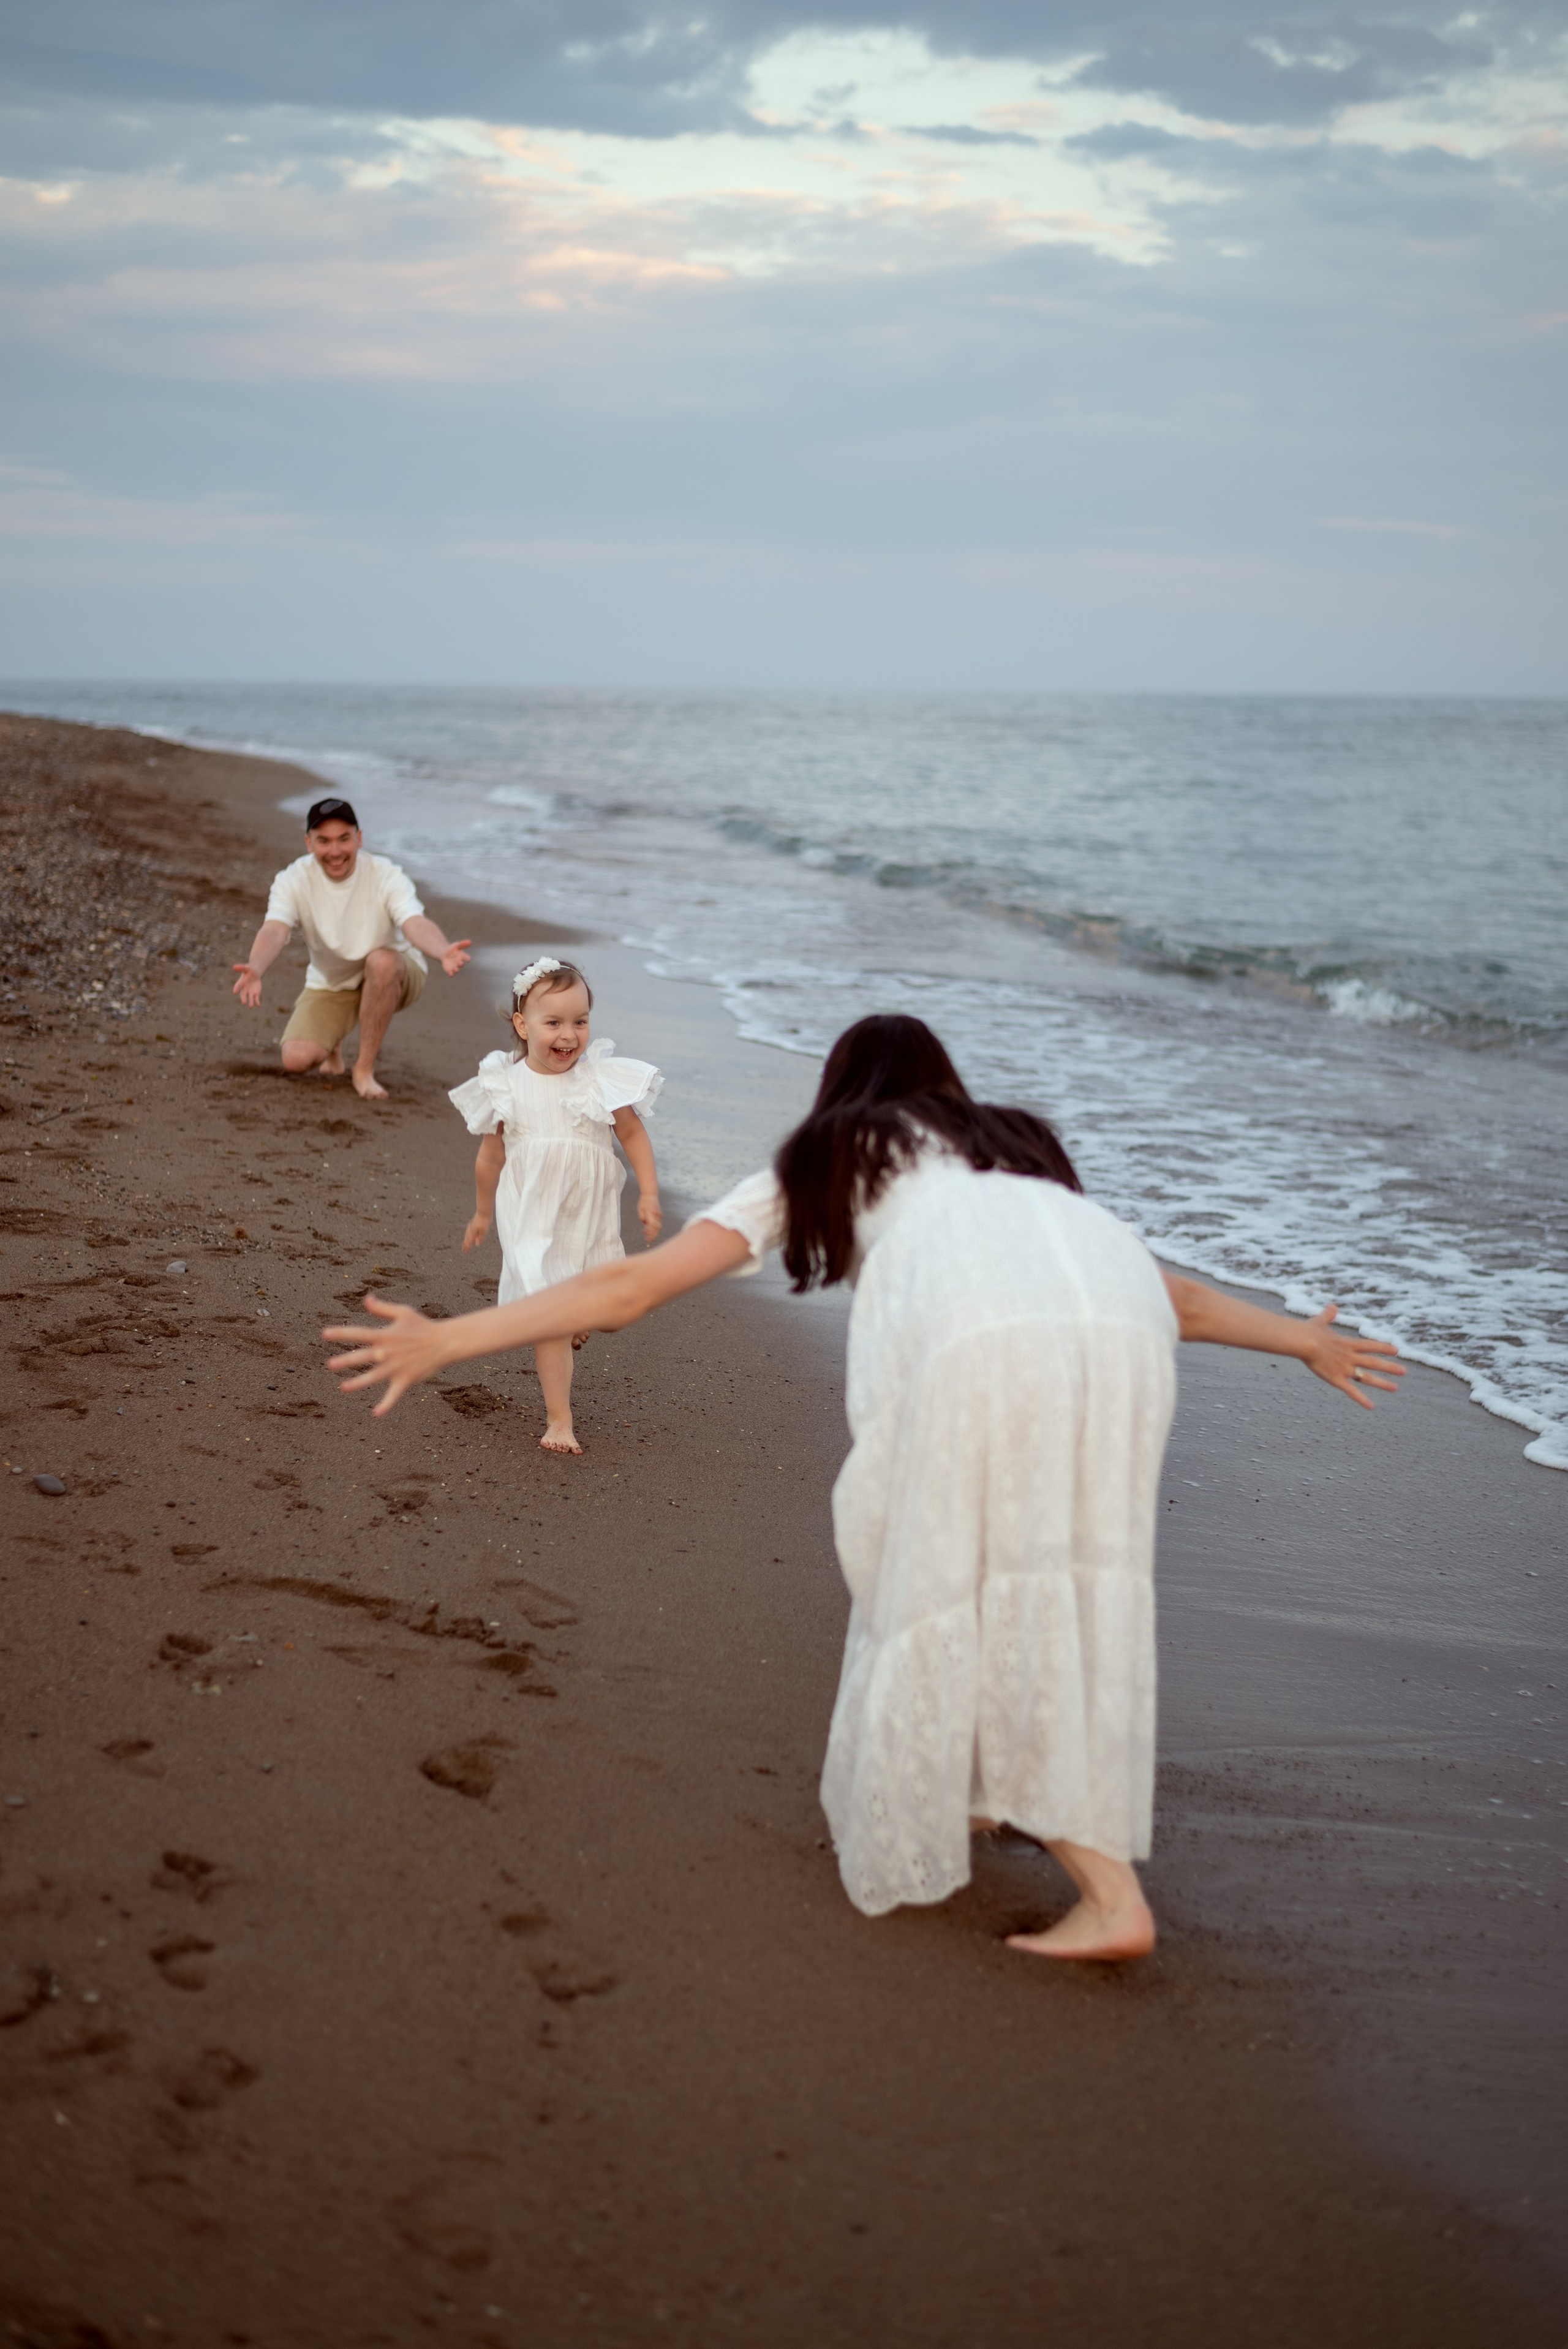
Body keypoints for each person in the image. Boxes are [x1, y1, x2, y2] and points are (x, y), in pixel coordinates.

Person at [324, 1015, 1402, 1960]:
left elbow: (626, 1288)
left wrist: (456, 1336)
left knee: (925, 1569)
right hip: (1120, 1334)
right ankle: (992, 1794)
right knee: (1044, 1568)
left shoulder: (835, 1149)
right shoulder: (1013, 1146)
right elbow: (1171, 1296)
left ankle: (1109, 1891)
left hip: (980, 1337)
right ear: (946, 1087)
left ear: (840, 1090)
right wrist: (1302, 1342)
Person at [450, 957, 663, 1455]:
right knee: (550, 1313)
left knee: (605, 1305)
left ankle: (578, 1311)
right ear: (523, 1026)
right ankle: (559, 1418)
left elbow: (632, 1133)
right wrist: (483, 1211)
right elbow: (490, 1156)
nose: (569, 1035)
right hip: (532, 1214)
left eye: (580, 1021)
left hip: (589, 1215)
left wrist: (649, 1192)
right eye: (554, 1022)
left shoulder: (598, 1080)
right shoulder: (506, 1083)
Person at [232, 796, 472, 1100]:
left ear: (359, 838)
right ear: (309, 843)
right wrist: (256, 967)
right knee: (296, 1060)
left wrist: (442, 950)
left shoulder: (385, 874)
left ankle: (363, 1070)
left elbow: (414, 921)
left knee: (382, 962)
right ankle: (333, 1044)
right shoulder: (293, 879)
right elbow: (275, 930)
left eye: (344, 839)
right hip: (333, 982)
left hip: (394, 973)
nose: (335, 852)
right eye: (324, 841)